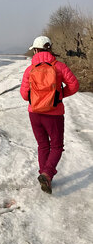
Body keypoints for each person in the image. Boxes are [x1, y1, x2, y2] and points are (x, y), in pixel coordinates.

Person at [20, 36, 79, 194]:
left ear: (36, 50)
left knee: (43, 145)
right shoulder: (59, 66)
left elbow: (25, 95)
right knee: (57, 146)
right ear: (49, 48)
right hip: (54, 114)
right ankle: (46, 174)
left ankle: (44, 175)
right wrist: (57, 96)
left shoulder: (30, 69)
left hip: (35, 114)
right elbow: (74, 85)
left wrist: (39, 99)